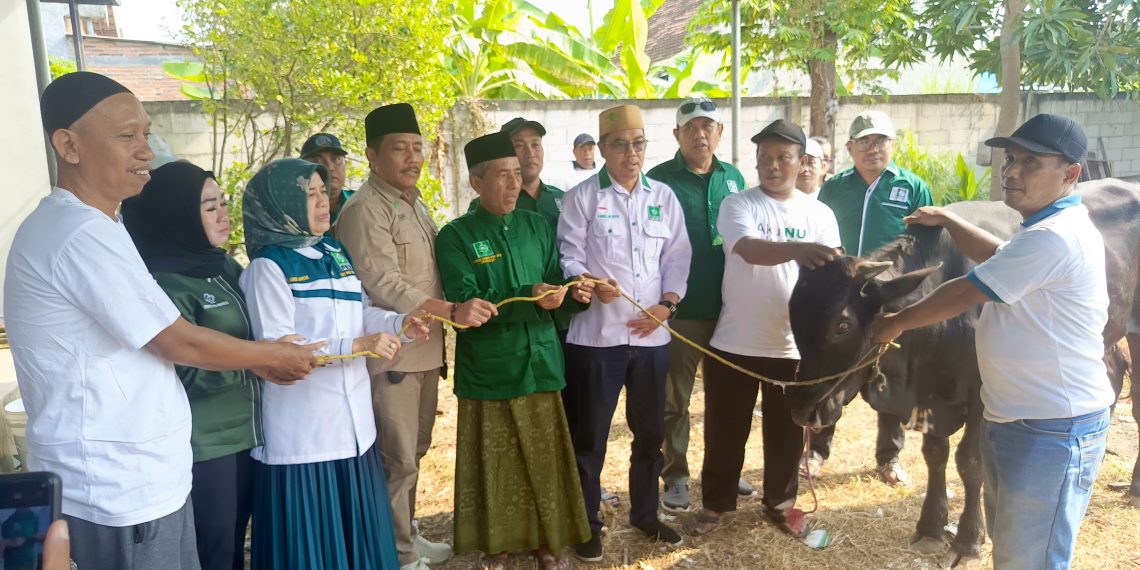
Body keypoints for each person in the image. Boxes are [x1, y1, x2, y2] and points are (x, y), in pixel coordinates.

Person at [5, 71, 318, 570]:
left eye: (146, 134)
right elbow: (178, 342)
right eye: (126, 136)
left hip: (142, 477)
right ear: (68, 144)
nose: (146, 150)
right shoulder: (74, 231)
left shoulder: (104, 225)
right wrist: (272, 355)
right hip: (114, 489)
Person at [871, 114, 1112, 569]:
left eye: (1031, 162)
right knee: (1014, 552)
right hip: (1023, 420)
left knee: (1031, 560)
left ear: (1070, 173)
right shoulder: (1041, 230)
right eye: (1010, 159)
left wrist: (895, 323)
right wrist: (947, 218)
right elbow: (996, 254)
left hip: (1053, 428)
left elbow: (965, 290)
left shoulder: (1054, 238)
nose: (1012, 171)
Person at [239, 157, 429, 570]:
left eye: (323, 192)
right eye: (309, 195)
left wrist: (399, 323)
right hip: (305, 436)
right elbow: (278, 352)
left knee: (356, 542)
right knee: (313, 547)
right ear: (282, 204)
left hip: (354, 431)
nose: (323, 202)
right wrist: (358, 343)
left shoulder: (333, 252)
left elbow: (358, 310)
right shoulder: (268, 268)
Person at [336, 103, 490, 570]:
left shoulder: (413, 202)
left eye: (417, 148)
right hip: (393, 354)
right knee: (397, 460)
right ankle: (396, 555)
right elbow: (385, 283)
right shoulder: (365, 209)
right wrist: (450, 311)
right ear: (371, 155)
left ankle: (407, 534)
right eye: (399, 148)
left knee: (415, 453)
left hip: (425, 351)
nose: (412, 157)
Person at [438, 132, 593, 570]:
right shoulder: (456, 236)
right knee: (496, 463)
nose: (513, 184)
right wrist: (529, 295)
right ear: (476, 182)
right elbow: (465, 297)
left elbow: (553, 279)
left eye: (517, 175)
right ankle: (497, 546)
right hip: (490, 368)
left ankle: (548, 541)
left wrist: (568, 293)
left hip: (540, 360)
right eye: (502, 176)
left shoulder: (537, 226)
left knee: (545, 460)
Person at [684, 120, 841, 539]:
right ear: (755, 161)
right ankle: (715, 504)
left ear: (802, 162)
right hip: (735, 341)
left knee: (787, 434)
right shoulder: (739, 205)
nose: (773, 166)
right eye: (765, 158)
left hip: (792, 347)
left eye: (783, 158)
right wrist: (798, 250)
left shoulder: (820, 214)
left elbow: (832, 277)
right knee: (724, 430)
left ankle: (781, 503)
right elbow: (749, 249)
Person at [557, 104, 692, 561]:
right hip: (597, 339)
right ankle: (587, 522)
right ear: (603, 149)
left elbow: (678, 258)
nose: (631, 154)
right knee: (590, 437)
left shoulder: (663, 197)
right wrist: (591, 284)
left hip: (652, 338)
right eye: (620, 145)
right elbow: (569, 256)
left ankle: (647, 514)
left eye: (638, 144)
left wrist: (666, 306)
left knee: (650, 433)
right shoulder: (581, 197)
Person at [120, 161, 259, 570]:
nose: (223, 214)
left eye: (223, 202)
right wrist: (261, 361)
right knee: (213, 550)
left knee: (236, 544)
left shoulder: (224, 267)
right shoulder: (164, 282)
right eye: (209, 206)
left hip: (249, 431)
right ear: (178, 213)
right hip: (206, 441)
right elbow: (183, 364)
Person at [811, 110, 934, 486]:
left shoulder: (912, 187)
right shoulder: (834, 188)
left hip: (888, 301)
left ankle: (889, 456)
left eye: (880, 140)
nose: (872, 148)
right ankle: (816, 450)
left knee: (892, 375)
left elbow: (928, 244)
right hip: (843, 298)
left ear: (892, 145)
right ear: (850, 147)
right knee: (832, 369)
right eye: (863, 141)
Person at [645, 97, 749, 512]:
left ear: (720, 133)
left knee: (729, 400)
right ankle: (676, 476)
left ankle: (724, 471)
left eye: (708, 126)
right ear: (677, 135)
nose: (700, 134)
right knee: (675, 401)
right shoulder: (658, 180)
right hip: (680, 312)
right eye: (690, 128)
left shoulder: (734, 178)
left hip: (730, 310)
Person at [300, 132, 354, 229]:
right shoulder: (295, 210)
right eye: (317, 161)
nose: (329, 167)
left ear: (346, 164)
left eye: (336, 159)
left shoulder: (361, 203)